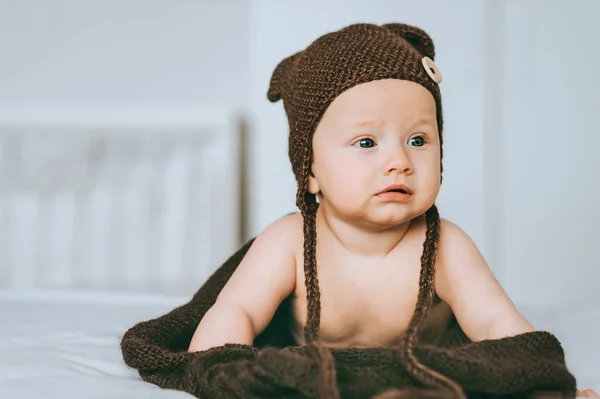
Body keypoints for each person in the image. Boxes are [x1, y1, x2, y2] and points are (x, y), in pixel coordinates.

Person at [188, 22, 598, 398]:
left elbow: (496, 325)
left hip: (420, 370)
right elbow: (235, 311)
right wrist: (218, 373)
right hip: (318, 370)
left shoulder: (444, 246)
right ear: (310, 171)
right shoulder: (290, 241)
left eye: (418, 140)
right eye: (366, 142)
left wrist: (542, 379)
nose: (400, 161)